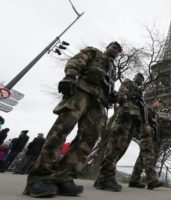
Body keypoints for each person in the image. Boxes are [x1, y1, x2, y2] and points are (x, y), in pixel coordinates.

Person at [24, 41, 122, 198]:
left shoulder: (113, 71)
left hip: (98, 102)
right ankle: (40, 177)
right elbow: (77, 60)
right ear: (107, 47)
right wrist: (70, 76)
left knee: (90, 138)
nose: (116, 50)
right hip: (81, 92)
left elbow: (109, 85)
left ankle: (64, 177)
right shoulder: (94, 53)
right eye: (114, 46)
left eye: (118, 50)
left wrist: (112, 94)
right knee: (62, 129)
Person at [94, 73, 149, 192]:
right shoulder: (128, 82)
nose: (140, 79)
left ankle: (102, 176)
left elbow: (141, 108)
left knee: (122, 148)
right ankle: (105, 177)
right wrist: (124, 106)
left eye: (142, 79)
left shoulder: (140, 93)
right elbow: (122, 93)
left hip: (134, 120)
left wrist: (143, 122)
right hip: (125, 115)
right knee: (116, 145)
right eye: (138, 77)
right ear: (135, 78)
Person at [128, 98, 163, 189]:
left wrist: (156, 138)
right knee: (148, 155)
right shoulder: (147, 108)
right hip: (146, 134)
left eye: (160, 103)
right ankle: (152, 180)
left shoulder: (155, 114)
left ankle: (134, 180)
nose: (160, 104)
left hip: (150, 135)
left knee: (141, 159)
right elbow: (143, 119)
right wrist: (146, 126)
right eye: (158, 102)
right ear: (153, 102)